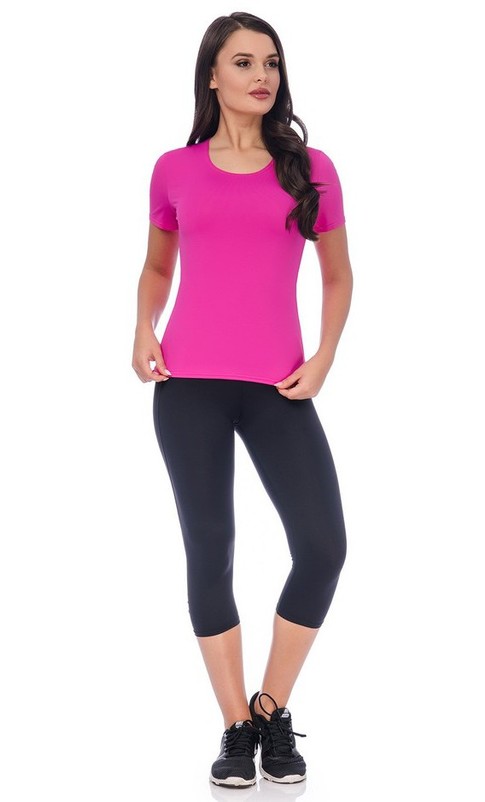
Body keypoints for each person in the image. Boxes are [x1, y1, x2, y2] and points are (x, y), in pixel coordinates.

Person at [132, 11, 353, 789]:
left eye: (272, 62)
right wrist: (143, 326)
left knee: (322, 546)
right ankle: (234, 727)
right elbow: (158, 267)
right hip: (187, 387)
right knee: (211, 550)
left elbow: (337, 275)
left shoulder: (310, 168)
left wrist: (323, 357)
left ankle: (269, 708)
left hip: (279, 387)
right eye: (244, 62)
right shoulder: (174, 169)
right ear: (213, 75)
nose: (262, 75)